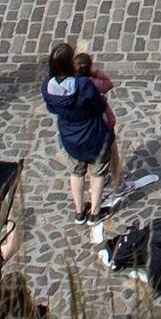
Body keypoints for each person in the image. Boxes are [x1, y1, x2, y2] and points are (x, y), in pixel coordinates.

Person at [42, 44, 120, 226]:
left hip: (70, 136)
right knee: (98, 172)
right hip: (93, 134)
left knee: (77, 171)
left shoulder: (47, 86)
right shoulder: (83, 85)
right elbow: (99, 107)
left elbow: (52, 108)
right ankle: (95, 213)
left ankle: (79, 212)